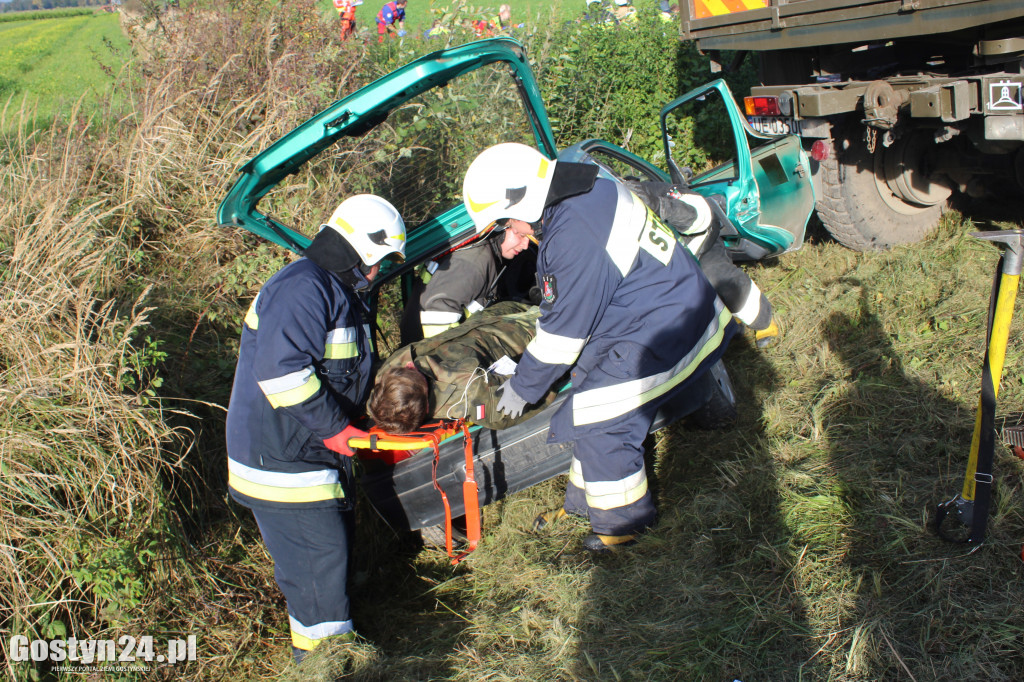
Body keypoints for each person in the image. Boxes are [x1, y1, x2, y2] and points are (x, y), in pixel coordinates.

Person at [462, 143, 738, 553]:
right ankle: (583, 505)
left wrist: (523, 387)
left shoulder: (572, 234)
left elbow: (560, 340)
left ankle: (625, 526)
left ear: (525, 199)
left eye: (507, 219)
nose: (514, 230)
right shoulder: (585, 184)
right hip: (657, 308)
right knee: (588, 402)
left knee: (602, 420)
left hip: (669, 326)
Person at [225, 195, 406, 662]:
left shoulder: (337, 290)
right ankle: (330, 665)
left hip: (310, 457)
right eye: (378, 262)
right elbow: (283, 373)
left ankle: (330, 648)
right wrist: (336, 430)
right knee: (318, 571)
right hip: (286, 466)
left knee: (328, 568)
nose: (376, 274)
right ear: (357, 253)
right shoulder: (304, 289)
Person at [627, 180, 780, 348]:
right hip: (668, 265)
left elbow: (699, 212)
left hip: (701, 243)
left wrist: (661, 206)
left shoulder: (646, 190)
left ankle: (763, 321)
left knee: (718, 278)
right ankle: (728, 323)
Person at [369, 301, 560, 432]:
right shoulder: (474, 395)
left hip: (501, 313)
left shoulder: (388, 379)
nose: (410, 363)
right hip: (540, 334)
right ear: (427, 399)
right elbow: (539, 388)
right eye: (414, 370)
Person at [398, 219, 534, 344]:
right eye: (521, 236)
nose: (526, 245)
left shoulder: (487, 254)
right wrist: (450, 360)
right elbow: (438, 312)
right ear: (501, 228)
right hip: (426, 352)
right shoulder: (474, 262)